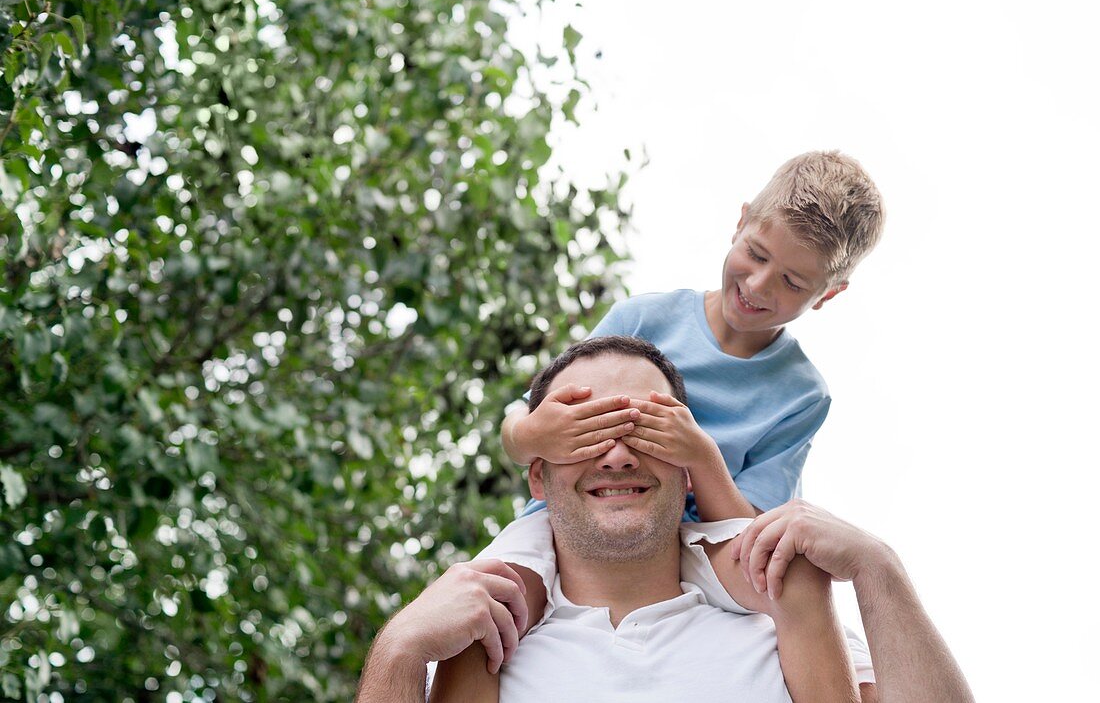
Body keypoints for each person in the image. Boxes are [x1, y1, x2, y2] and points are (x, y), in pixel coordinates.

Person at [435, 151, 887, 694]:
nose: (761, 285)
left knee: (813, 607)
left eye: (792, 281)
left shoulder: (801, 394)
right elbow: (521, 423)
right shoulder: (643, 319)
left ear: (828, 294)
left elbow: (750, 527)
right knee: (486, 605)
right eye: (755, 254)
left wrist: (699, 456)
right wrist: (533, 435)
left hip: (699, 538)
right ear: (740, 221)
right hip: (574, 518)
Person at [356, 341, 973, 702]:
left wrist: (878, 568)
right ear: (538, 476)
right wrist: (398, 652)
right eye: (587, 431)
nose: (618, 453)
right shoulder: (479, 643)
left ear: (688, 468)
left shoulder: (787, 624)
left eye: (643, 431)